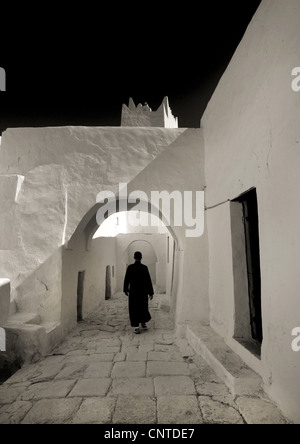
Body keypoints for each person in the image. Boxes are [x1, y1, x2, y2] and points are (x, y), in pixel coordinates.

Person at [123, 251, 154, 334]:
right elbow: (148, 281)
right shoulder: (144, 268)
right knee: (143, 306)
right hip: (143, 292)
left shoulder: (130, 267)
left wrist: (125, 289)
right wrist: (151, 292)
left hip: (133, 292)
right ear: (141, 257)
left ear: (134, 257)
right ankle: (143, 322)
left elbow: (126, 279)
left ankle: (136, 327)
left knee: (134, 308)